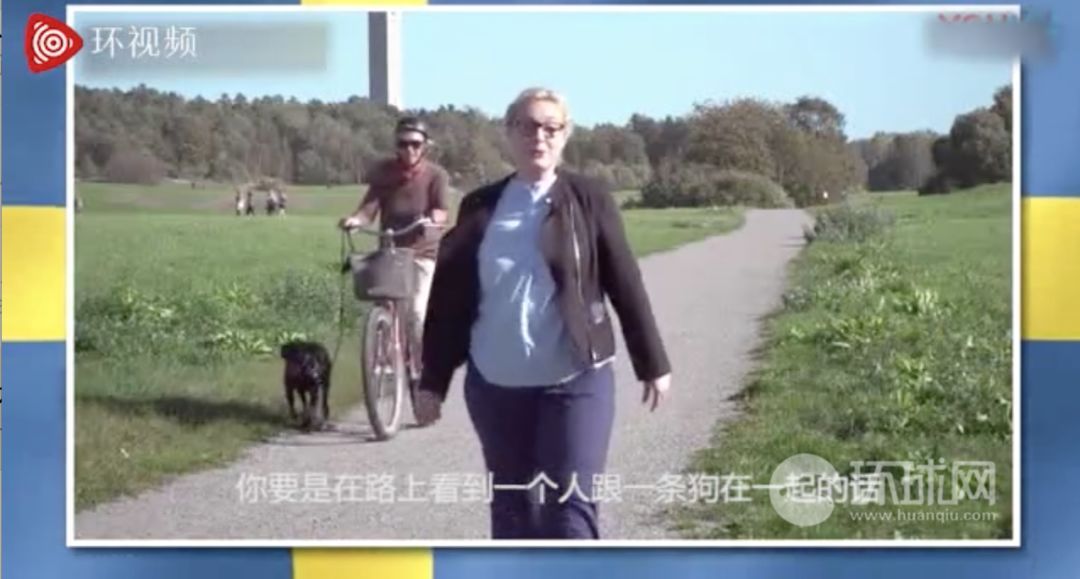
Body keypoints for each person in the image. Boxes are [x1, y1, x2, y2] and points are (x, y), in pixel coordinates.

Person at [414, 87, 672, 540]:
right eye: (528, 126)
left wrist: (652, 363)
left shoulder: (589, 198)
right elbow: (450, 298)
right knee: (513, 514)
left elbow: (625, 280)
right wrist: (432, 381)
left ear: (565, 135)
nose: (540, 136)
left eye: (551, 128)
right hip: (496, 386)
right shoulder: (480, 206)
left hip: (575, 379)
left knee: (569, 512)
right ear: (509, 133)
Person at [339, 116, 452, 377]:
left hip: (423, 252)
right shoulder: (384, 173)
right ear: (395, 145)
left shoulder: (436, 175)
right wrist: (355, 221)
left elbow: (441, 210)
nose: (409, 149)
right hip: (391, 250)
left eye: (415, 144)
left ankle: (420, 364)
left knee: (417, 313)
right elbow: (369, 208)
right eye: (403, 144)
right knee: (385, 304)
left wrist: (433, 219)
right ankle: (384, 358)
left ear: (425, 146)